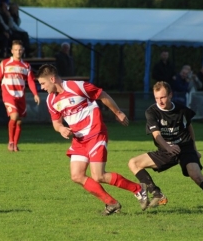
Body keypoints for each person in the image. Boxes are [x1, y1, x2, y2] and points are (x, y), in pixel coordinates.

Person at [35, 64, 148, 216]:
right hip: (79, 140)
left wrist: (118, 112)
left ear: (52, 79)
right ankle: (111, 203)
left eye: (43, 83)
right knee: (77, 175)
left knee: (98, 175)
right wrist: (61, 129)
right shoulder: (51, 100)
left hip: (95, 133)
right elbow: (56, 123)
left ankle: (139, 189)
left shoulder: (78, 86)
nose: (42, 87)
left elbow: (102, 95)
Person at [128, 81, 203, 209]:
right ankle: (156, 193)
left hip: (185, 147)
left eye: (163, 97)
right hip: (166, 149)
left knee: (196, 175)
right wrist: (168, 147)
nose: (160, 101)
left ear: (170, 95)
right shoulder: (151, 112)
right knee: (133, 163)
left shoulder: (182, 110)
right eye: (157, 98)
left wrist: (194, 149)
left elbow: (189, 127)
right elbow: (156, 135)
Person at [0, 40, 40, 152]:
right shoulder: (5, 63)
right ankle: (11, 142)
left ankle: (15, 145)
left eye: (20, 50)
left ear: (23, 50)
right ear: (12, 51)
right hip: (8, 94)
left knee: (19, 121)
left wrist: (35, 94)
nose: (18, 52)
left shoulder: (26, 66)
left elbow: (31, 81)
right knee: (14, 116)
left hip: (20, 95)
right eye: (16, 50)